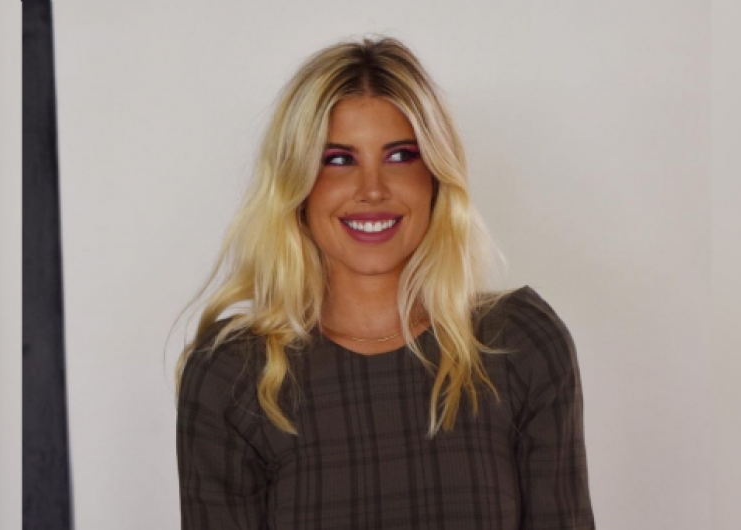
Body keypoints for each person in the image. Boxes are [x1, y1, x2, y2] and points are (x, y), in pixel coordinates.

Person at [175, 36, 595, 530]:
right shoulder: (234, 376)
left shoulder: (519, 345)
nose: (372, 190)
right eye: (338, 160)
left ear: (434, 176)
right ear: (297, 185)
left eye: (400, 156)